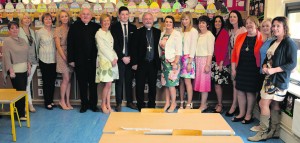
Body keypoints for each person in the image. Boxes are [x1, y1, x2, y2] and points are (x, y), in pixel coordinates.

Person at [248, 16, 297, 141]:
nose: (274, 28)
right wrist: (264, 65)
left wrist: (273, 70)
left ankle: (263, 132)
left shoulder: (289, 43)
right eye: (273, 26)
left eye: (278, 26)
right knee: (274, 104)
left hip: (278, 79)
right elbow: (267, 58)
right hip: (269, 78)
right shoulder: (275, 41)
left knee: (263, 103)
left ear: (284, 27)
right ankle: (274, 131)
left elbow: (292, 64)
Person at [67, 8, 101, 113]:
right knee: (82, 84)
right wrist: (71, 59)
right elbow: (70, 44)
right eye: (83, 14)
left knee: (93, 84)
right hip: (79, 61)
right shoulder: (74, 27)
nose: (85, 16)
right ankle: (84, 105)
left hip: (93, 61)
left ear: (91, 16)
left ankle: (93, 105)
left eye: (88, 14)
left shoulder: (96, 27)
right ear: (80, 15)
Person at [231, 16, 263, 124]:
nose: (249, 25)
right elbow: (234, 53)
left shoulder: (261, 38)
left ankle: (249, 115)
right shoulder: (240, 36)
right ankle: (241, 113)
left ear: (256, 24)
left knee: (250, 92)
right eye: (247, 23)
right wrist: (233, 68)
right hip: (241, 67)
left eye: (251, 23)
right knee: (240, 91)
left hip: (254, 69)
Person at [131, 13, 161, 111]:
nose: (148, 21)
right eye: (146, 19)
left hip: (153, 63)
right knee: (140, 85)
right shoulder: (137, 32)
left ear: (153, 20)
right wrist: (134, 63)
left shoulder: (158, 32)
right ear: (143, 21)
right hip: (141, 63)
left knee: (153, 85)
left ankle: (152, 104)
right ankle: (140, 105)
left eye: (150, 19)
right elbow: (133, 49)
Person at [2, 21, 30, 120]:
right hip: (15, 70)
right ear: (9, 30)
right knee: (19, 92)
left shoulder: (23, 40)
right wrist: (11, 70)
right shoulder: (7, 41)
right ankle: (20, 114)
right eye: (12, 28)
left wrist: (29, 66)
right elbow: (6, 57)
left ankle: (20, 112)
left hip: (24, 69)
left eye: (16, 28)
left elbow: (27, 54)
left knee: (23, 91)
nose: (15, 30)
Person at [111, 6, 137, 112]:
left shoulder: (133, 27)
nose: (125, 16)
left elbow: (134, 45)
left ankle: (130, 102)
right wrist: (122, 57)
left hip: (130, 59)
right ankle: (118, 103)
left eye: (126, 14)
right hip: (120, 59)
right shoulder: (114, 27)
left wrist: (130, 57)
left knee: (129, 81)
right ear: (119, 15)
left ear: (129, 15)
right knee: (119, 81)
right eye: (122, 14)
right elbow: (115, 44)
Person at [250, 18, 273, 132]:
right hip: (261, 72)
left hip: (268, 74)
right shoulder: (266, 40)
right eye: (263, 26)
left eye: (267, 26)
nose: (265, 28)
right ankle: (264, 125)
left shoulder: (273, 41)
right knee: (261, 99)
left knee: (263, 101)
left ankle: (265, 127)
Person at [95, 14, 118, 114]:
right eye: (104, 21)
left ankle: (108, 105)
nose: (106, 22)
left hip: (111, 60)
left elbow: (111, 48)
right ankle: (103, 104)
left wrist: (115, 57)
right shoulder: (98, 33)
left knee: (109, 84)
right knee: (107, 83)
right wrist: (112, 59)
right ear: (101, 22)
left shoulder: (109, 32)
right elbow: (103, 49)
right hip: (104, 60)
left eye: (108, 20)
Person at [225, 10, 247, 117]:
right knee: (234, 83)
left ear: (238, 18)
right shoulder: (230, 30)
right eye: (230, 17)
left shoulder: (243, 30)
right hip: (231, 59)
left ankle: (235, 106)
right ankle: (236, 105)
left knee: (238, 84)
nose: (232, 18)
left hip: (240, 60)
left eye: (234, 16)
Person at [159, 15, 182, 113]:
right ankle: (167, 102)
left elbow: (179, 50)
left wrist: (175, 63)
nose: (168, 23)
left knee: (172, 84)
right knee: (166, 84)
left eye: (170, 22)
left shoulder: (177, 34)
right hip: (164, 62)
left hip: (173, 62)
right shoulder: (163, 33)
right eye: (166, 22)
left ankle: (173, 103)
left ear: (173, 24)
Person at [36, 13, 57, 110]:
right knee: (46, 81)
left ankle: (51, 100)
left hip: (54, 59)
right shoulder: (39, 32)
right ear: (43, 21)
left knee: (52, 81)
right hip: (43, 59)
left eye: (49, 19)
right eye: (46, 19)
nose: (48, 21)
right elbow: (36, 46)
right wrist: (37, 59)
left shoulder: (55, 30)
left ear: (52, 20)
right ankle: (47, 102)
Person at [194, 15, 215, 112]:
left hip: (204, 61)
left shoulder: (209, 35)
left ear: (207, 25)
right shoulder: (198, 34)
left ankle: (203, 105)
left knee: (204, 85)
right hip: (197, 60)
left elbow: (210, 52)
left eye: (203, 23)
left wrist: (207, 64)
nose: (201, 24)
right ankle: (203, 103)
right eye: (200, 23)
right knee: (199, 84)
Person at [211, 15, 230, 113]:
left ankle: (220, 105)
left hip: (220, 63)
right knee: (216, 84)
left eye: (219, 21)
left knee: (218, 85)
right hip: (214, 62)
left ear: (222, 23)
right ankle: (218, 102)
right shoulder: (215, 33)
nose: (217, 23)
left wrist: (221, 63)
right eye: (216, 21)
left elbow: (224, 49)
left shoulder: (224, 33)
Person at [54, 10, 73, 110]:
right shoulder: (58, 29)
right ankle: (62, 101)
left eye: (66, 16)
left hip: (70, 55)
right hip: (62, 55)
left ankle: (67, 101)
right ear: (59, 19)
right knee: (65, 79)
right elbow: (58, 46)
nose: (64, 18)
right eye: (62, 16)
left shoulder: (70, 28)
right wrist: (65, 58)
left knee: (69, 80)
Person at [178, 12, 197, 109]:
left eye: (186, 19)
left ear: (190, 20)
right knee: (181, 82)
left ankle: (189, 103)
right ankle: (181, 102)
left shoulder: (193, 31)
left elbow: (193, 47)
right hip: (180, 59)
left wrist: (190, 62)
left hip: (188, 59)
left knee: (187, 82)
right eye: (183, 19)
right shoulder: (181, 31)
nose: (184, 21)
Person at [18, 13, 37, 112]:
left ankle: (27, 103)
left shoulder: (32, 32)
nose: (27, 19)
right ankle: (28, 104)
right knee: (25, 83)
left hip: (34, 61)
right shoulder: (18, 31)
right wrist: (26, 62)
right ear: (21, 21)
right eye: (24, 18)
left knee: (27, 82)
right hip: (24, 62)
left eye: (28, 18)